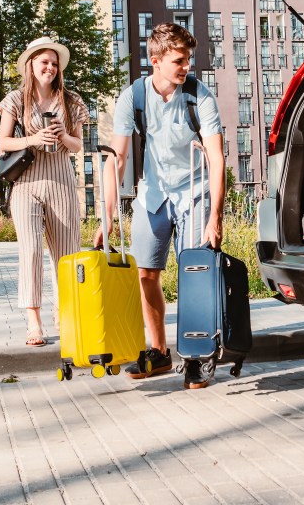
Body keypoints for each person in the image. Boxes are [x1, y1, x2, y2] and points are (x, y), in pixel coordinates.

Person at [96, 23, 225, 389]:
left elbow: (217, 158)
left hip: (195, 192)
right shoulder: (133, 97)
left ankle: (197, 357)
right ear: (156, 60)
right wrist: (107, 218)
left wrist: (215, 217)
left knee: (194, 275)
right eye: (179, 60)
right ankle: (159, 352)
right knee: (145, 274)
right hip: (153, 193)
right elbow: (117, 159)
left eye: (188, 60)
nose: (186, 67)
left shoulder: (199, 96)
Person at [0, 36, 89, 347]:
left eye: (54, 63)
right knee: (31, 251)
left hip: (62, 181)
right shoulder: (15, 99)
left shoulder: (71, 101)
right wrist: (32, 139)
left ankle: (65, 313)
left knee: (66, 255)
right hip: (26, 184)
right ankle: (33, 320)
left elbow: (78, 146)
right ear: (31, 66)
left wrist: (63, 134)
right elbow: (3, 143)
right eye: (43, 62)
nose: (49, 67)